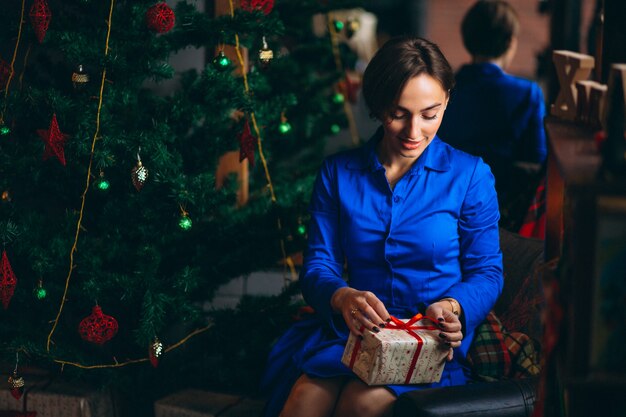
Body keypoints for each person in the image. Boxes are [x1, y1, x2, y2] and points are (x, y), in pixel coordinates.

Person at [260, 36, 503, 417]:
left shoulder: (471, 175)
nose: (414, 131)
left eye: (430, 114)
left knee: (362, 403)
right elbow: (319, 266)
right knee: (303, 402)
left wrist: (453, 306)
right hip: (354, 332)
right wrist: (342, 297)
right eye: (398, 113)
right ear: (376, 107)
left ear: (447, 102)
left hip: (428, 337)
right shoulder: (337, 173)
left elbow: (487, 271)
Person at [437, 0, 547, 231]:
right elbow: (536, 160)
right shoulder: (527, 94)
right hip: (503, 215)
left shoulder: (442, 89)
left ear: (467, 38)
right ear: (509, 42)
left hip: (444, 207)